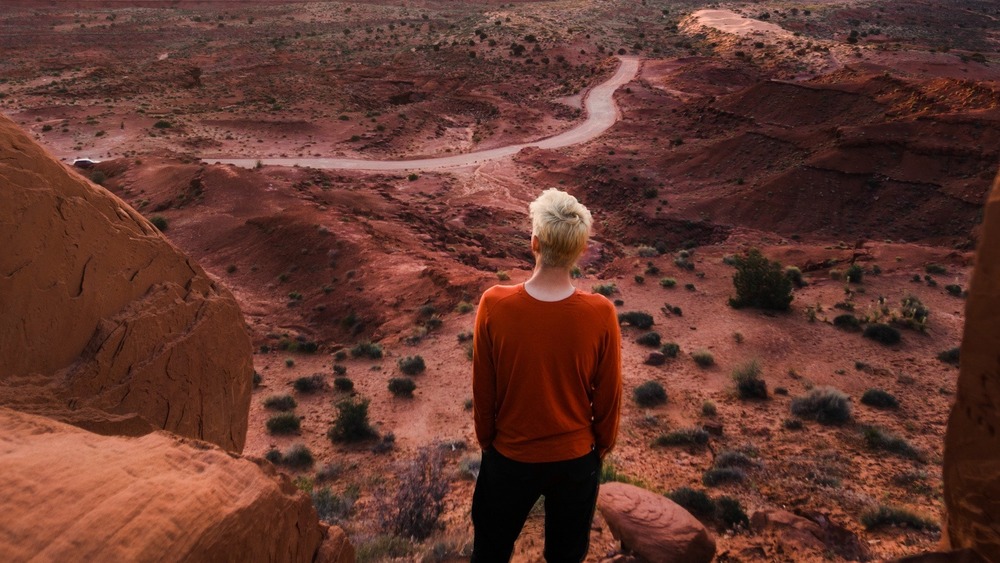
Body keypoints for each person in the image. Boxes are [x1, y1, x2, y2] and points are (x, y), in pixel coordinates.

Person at [471, 188, 623, 562]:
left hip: (510, 455)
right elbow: (609, 395)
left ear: (534, 242)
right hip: (575, 461)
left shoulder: (494, 304)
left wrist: (487, 440)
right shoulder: (601, 313)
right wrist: (599, 446)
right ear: (580, 250)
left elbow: (483, 387)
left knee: (489, 552)